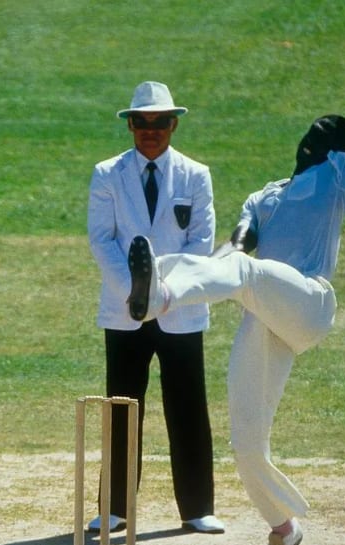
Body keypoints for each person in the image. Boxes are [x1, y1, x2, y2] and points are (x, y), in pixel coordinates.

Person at [126, 20, 345, 545]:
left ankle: (162, 290)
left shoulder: (338, 179)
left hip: (309, 302)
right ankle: (283, 527)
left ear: (337, 149)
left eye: (330, 129)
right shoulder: (263, 196)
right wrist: (208, 275)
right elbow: (234, 250)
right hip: (265, 312)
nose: (321, 127)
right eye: (316, 125)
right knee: (245, 439)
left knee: (240, 275)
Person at [86, 81, 225, 534]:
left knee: (187, 406)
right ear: (129, 125)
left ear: (173, 124)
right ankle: (116, 508)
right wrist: (136, 291)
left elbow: (200, 245)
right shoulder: (108, 173)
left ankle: (197, 507)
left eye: (159, 122)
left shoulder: (195, 175)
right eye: (141, 122)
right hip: (125, 310)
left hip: (180, 309)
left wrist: (161, 294)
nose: (150, 131)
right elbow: (102, 239)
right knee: (123, 406)